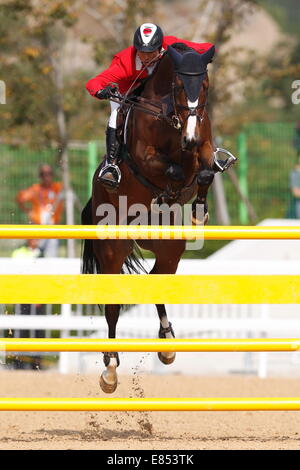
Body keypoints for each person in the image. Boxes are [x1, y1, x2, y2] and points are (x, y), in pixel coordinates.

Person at [86, 23, 221, 189]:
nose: (146, 56)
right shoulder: (125, 62)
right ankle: (111, 164)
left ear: (160, 46)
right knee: (115, 112)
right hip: (130, 93)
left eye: (151, 52)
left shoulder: (170, 45)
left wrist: (201, 57)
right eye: (142, 52)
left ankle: (208, 151)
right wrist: (100, 91)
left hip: (158, 94)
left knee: (187, 103)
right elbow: (93, 82)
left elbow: (206, 48)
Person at [16, 164, 64, 256]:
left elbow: (67, 183)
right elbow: (20, 198)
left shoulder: (57, 188)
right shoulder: (36, 189)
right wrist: (28, 211)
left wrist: (62, 167)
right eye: (43, 174)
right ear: (40, 176)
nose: (46, 176)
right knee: (34, 258)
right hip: (37, 230)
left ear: (53, 175)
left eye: (49, 173)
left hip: (52, 230)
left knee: (51, 258)